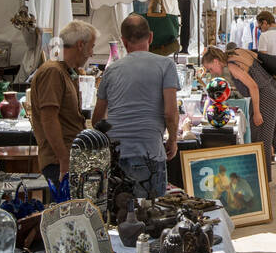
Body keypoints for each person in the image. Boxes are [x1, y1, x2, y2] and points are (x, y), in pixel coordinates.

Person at [91, 14, 179, 200]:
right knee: (152, 217)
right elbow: (170, 113)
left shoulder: (111, 70)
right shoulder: (166, 65)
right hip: (150, 152)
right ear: (151, 37)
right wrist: (172, 139)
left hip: (117, 154)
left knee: (120, 217)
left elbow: (97, 120)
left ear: (123, 41)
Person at [201, 45, 276, 188]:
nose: (211, 72)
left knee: (261, 136)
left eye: (210, 68)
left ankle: (262, 180)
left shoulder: (232, 66)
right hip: (273, 89)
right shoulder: (233, 56)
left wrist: (257, 112)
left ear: (215, 61)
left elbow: (253, 87)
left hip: (265, 94)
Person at [29, 20, 97, 188]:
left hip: (69, 159)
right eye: (92, 46)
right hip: (58, 163)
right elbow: (49, 119)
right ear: (80, 45)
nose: (92, 53)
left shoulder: (66, 71)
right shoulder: (53, 71)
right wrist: (64, 159)